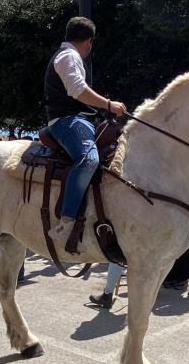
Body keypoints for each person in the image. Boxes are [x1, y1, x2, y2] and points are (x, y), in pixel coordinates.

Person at [44, 16, 127, 253]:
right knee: (88, 159)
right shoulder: (69, 56)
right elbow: (77, 90)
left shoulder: (66, 55)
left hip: (79, 120)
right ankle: (66, 222)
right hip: (69, 121)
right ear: (89, 41)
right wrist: (109, 104)